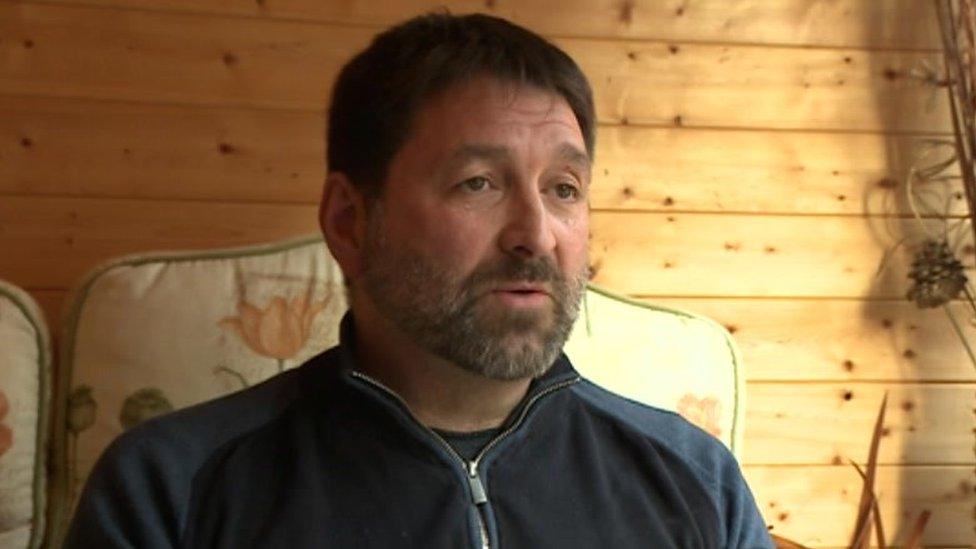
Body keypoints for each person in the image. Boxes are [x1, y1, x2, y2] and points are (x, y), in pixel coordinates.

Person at [65, 12, 775, 549]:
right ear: (349, 221)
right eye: (479, 182)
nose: (536, 233)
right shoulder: (171, 488)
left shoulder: (698, 481)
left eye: (563, 187)